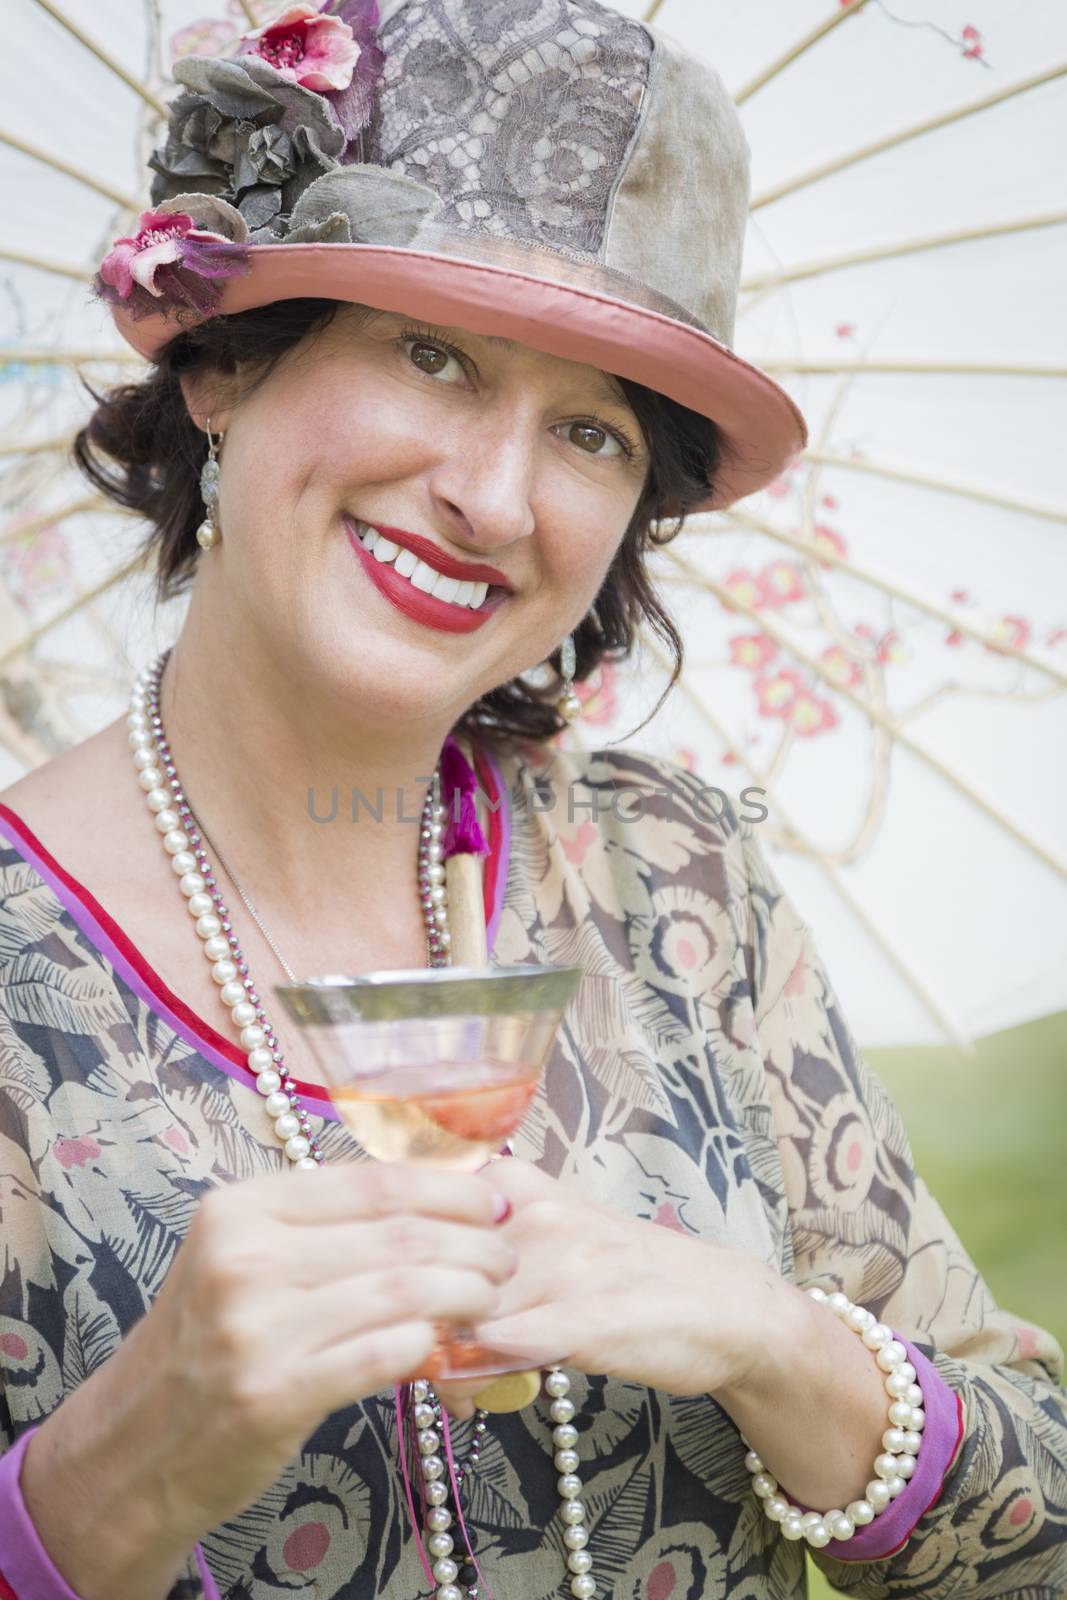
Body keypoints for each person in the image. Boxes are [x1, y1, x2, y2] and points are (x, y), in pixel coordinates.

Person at [0, 2, 1064, 1597]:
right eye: (431, 354)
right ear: (222, 365)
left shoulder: (678, 876)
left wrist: (773, 1344)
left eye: (589, 429)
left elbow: (1041, 1519)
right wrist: (110, 1471)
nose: (496, 498)